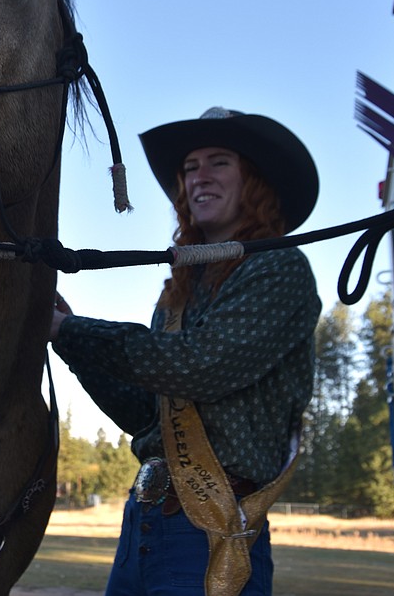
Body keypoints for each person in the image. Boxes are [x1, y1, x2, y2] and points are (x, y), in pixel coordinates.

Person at [50, 107, 321, 596]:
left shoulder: (279, 268)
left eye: (219, 162)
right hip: (146, 523)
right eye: (190, 168)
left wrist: (73, 331)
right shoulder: (178, 291)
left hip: (211, 529)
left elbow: (199, 366)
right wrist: (65, 340)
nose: (199, 177)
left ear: (254, 181)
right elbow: (144, 412)